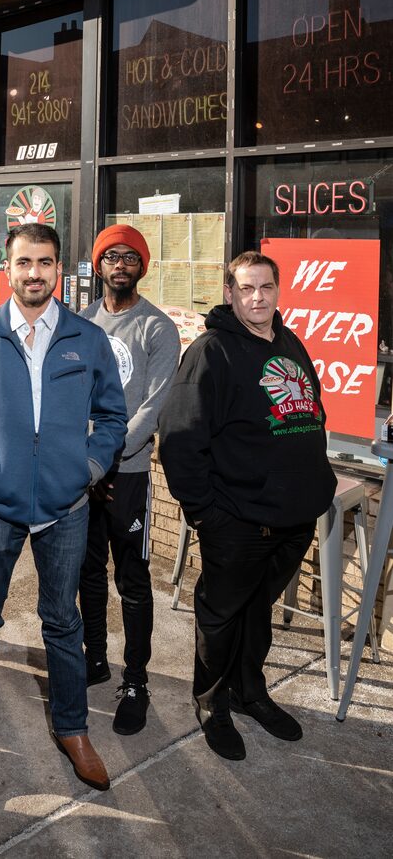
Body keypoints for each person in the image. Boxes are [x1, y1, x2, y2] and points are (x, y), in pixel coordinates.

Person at [0, 223, 127, 800]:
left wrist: (87, 469)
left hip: (66, 508)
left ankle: (73, 730)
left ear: (58, 268)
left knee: (63, 623)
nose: (34, 273)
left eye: (45, 262)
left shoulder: (85, 338)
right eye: (24, 263)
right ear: (8, 268)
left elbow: (114, 418)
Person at [159, 251, 336, 762]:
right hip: (237, 520)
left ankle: (249, 690)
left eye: (266, 288)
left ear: (278, 291)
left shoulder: (289, 342)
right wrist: (207, 514)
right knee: (221, 615)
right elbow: (180, 440)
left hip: (293, 518)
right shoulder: (212, 352)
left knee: (257, 613)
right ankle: (211, 703)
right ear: (230, 294)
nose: (257, 298)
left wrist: (313, 488)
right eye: (246, 289)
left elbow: (311, 413)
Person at [79, 224, 180, 735]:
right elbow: (70, 399)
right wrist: (86, 462)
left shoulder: (158, 329)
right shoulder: (81, 322)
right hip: (85, 476)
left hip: (128, 475)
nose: (120, 264)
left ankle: (135, 680)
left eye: (130, 257)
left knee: (133, 581)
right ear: (98, 266)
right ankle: (93, 659)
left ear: (143, 266)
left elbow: (153, 408)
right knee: (87, 574)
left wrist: (105, 459)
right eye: (110, 256)